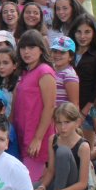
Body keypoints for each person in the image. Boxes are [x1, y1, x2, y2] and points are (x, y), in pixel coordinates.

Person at [13, 30, 58, 182]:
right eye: (23, 48)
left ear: (41, 49)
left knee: (26, 183)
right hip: (22, 130)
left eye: (31, 47)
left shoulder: (44, 71)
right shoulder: (25, 72)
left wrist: (38, 138)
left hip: (38, 133)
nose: (26, 52)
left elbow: (49, 107)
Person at [35, 102, 93, 190]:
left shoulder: (83, 146)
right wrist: (41, 187)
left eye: (67, 122)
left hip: (74, 189)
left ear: (77, 123)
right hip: (58, 182)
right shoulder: (53, 139)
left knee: (63, 152)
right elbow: (51, 171)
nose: (62, 127)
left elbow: (82, 184)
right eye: (59, 123)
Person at [69, 13, 96, 155]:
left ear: (94, 33)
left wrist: (84, 112)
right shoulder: (69, 53)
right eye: (79, 32)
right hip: (70, 106)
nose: (82, 36)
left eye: (87, 32)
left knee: (85, 147)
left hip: (89, 109)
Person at [52, 0, 96, 64]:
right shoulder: (64, 25)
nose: (61, 12)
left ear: (73, 8)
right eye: (58, 9)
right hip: (87, 53)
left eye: (65, 8)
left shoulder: (84, 23)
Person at [50, 36, 80, 107]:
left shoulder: (69, 74)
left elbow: (74, 104)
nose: (57, 55)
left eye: (62, 52)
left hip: (62, 116)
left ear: (71, 57)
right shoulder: (51, 69)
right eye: (55, 51)